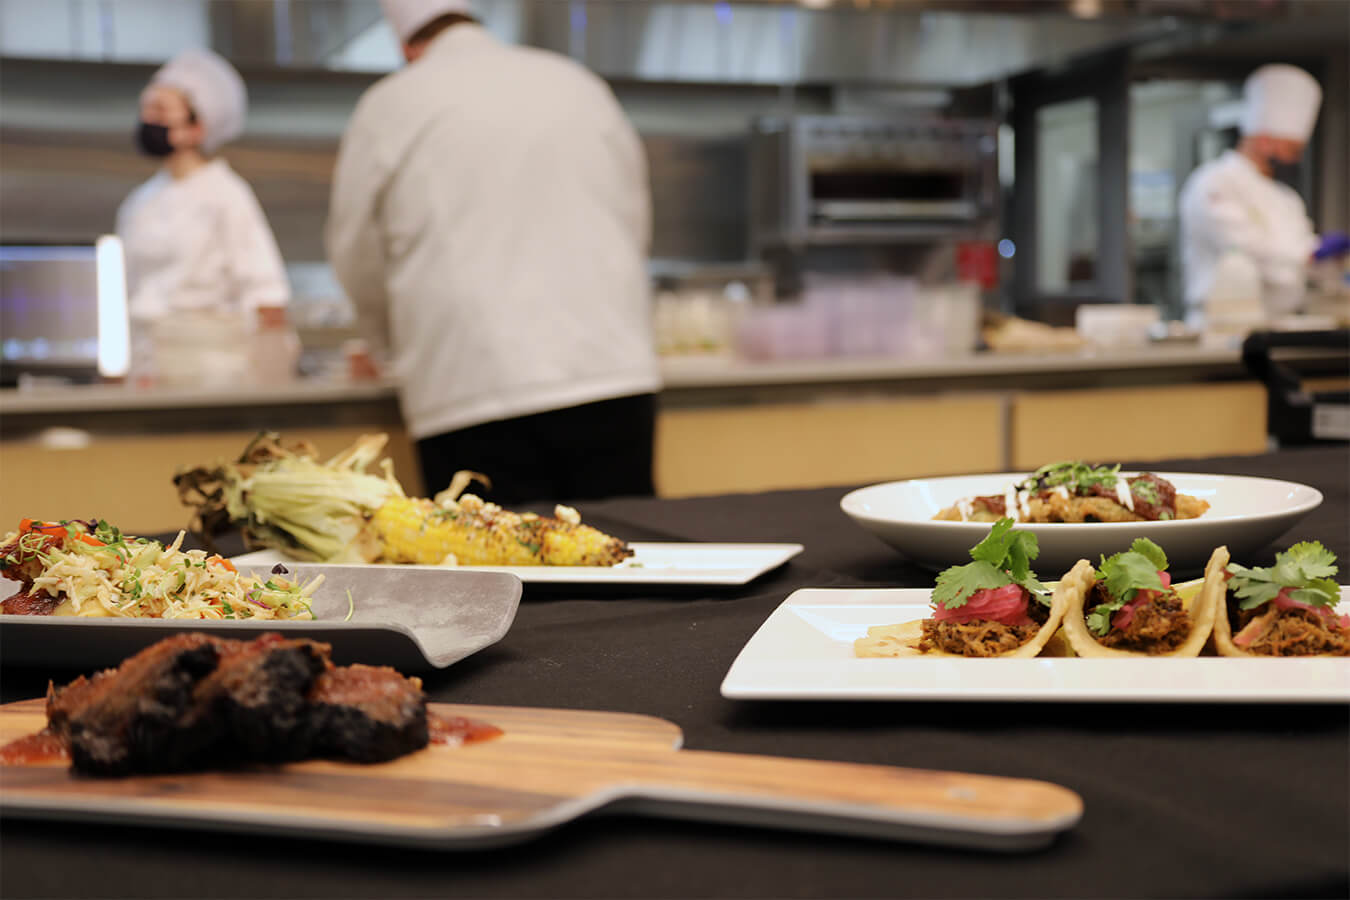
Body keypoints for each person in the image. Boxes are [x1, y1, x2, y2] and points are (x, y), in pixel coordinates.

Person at [326, 0, 661, 504]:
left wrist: (386, 348)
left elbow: (356, 250)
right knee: (639, 560)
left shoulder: (390, 103)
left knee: (494, 576)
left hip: (470, 383)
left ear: (406, 46)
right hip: (611, 371)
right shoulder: (577, 82)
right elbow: (633, 220)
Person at [117, 48, 293, 385]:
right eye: (146, 108)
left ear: (197, 127)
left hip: (211, 369)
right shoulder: (139, 203)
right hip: (147, 368)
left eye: (161, 110)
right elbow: (127, 293)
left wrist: (274, 378)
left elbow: (266, 292)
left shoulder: (226, 194)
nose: (148, 119)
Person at [1178, 64, 1324, 326]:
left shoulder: (1287, 198)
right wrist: (1308, 255)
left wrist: (1324, 259)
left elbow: (1305, 264)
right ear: (1265, 141)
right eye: (1291, 149)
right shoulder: (1214, 182)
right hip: (1221, 325)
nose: (1296, 159)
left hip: (1281, 322)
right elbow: (1245, 250)